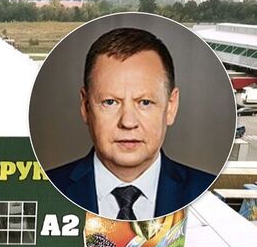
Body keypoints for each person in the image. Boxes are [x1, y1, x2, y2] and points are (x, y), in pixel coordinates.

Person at [46, 27, 215, 221]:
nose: (128, 122)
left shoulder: (208, 193)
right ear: (85, 106)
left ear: (171, 107)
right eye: (110, 102)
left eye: (145, 102)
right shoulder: (44, 190)